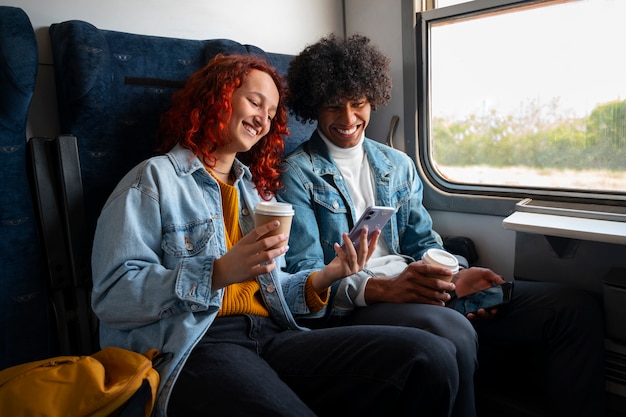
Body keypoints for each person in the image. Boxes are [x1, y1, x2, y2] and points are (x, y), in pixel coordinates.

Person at [90, 53, 462, 417]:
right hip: (197, 343)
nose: (262, 119)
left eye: (271, 113)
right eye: (255, 102)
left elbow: (278, 290)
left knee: (429, 356)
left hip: (273, 334)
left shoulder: (255, 192)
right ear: (216, 98)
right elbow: (112, 296)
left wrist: (333, 272)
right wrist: (217, 272)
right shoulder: (153, 180)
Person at [279, 34, 606, 417]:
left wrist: (456, 273)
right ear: (314, 108)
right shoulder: (296, 174)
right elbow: (306, 277)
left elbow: (422, 241)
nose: (349, 119)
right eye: (334, 107)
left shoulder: (396, 164)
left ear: (373, 99)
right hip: (360, 304)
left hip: (419, 282)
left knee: (572, 308)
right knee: (452, 331)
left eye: (358, 104)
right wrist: (384, 288)